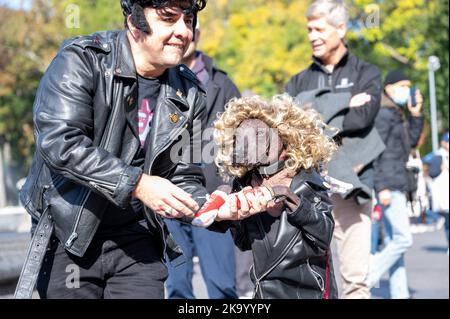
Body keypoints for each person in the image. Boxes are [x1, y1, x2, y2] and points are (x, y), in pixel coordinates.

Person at [15, 0, 210, 299]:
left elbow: (184, 175)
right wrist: (137, 184)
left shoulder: (189, 91)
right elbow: (60, 142)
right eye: (169, 19)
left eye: (188, 20)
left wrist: (215, 207)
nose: (183, 31)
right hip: (69, 237)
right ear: (134, 22)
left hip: (138, 242)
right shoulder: (83, 59)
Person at [285, 0, 384, 298]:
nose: (312, 36)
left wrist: (314, 108)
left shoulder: (367, 73)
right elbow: (291, 126)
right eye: (308, 30)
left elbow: (363, 118)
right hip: (309, 191)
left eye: (318, 29)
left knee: (354, 281)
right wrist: (343, 103)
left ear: (341, 28)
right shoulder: (298, 80)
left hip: (353, 187)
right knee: (311, 279)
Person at [210, 94, 339, 299]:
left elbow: (324, 235)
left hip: (307, 292)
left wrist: (292, 200)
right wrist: (228, 211)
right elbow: (244, 243)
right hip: (264, 294)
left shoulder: (305, 181)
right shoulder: (245, 183)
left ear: (284, 141)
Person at [164, 23, 240, 299]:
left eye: (191, 27)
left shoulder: (222, 83)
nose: (184, 34)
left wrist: (227, 185)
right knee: (177, 287)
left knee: (222, 287)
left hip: (213, 198)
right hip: (170, 198)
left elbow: (240, 143)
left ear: (198, 34)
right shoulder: (158, 79)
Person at [367, 69, 424, 299]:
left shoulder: (394, 112)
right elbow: (375, 152)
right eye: (403, 85)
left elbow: (409, 142)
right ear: (389, 87)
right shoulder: (382, 113)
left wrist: (416, 114)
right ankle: (368, 276)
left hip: (396, 181)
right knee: (403, 239)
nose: (406, 89)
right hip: (389, 184)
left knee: (394, 243)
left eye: (409, 85)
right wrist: (381, 187)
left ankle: (400, 294)